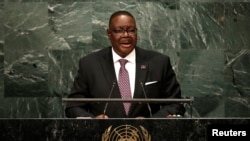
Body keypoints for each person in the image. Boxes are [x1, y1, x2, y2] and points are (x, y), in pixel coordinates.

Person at [65, 10, 185, 118]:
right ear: (109, 34)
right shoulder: (89, 64)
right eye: (119, 31)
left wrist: (152, 122)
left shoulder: (159, 63)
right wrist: (94, 121)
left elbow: (175, 103)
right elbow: (74, 106)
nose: (126, 35)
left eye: (131, 30)